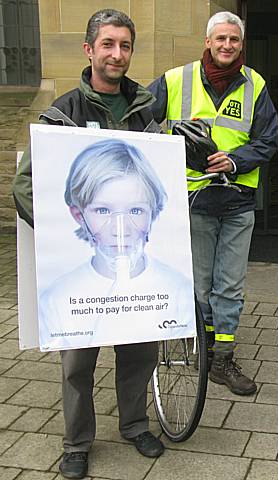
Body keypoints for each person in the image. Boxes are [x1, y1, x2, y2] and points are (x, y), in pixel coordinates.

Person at [12, 9, 164, 479]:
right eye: (108, 45)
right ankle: (77, 442)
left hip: (138, 261)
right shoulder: (62, 115)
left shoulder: (148, 112)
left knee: (139, 349)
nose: (117, 54)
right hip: (85, 263)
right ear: (89, 49)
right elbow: (25, 186)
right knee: (78, 359)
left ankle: (135, 422)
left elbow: (162, 181)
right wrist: (66, 231)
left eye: (125, 46)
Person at [148, 11, 278, 396]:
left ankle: (222, 359)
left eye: (233, 40)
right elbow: (142, 122)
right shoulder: (175, 80)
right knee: (201, 284)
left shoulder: (255, 84)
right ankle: (204, 348)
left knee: (230, 286)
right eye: (220, 38)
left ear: (241, 44)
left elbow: (268, 139)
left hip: (238, 200)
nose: (226, 45)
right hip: (195, 199)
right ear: (207, 41)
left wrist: (236, 160)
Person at [38, 139, 193, 351]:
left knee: (139, 362)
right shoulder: (57, 300)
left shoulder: (178, 291)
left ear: (153, 213)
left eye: (136, 211)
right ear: (78, 215)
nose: (120, 228)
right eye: (103, 210)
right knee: (77, 365)